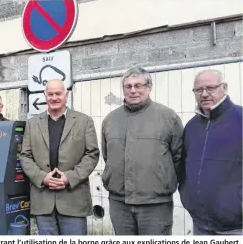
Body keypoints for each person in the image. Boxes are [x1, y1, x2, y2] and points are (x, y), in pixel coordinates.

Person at [101, 67, 183, 235]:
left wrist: (160, 179)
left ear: (149, 87)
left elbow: (179, 157)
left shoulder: (168, 117)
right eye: (128, 86)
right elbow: (108, 155)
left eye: (138, 85)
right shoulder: (110, 120)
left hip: (155, 205)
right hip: (119, 203)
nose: (133, 90)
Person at [20, 79, 100, 235]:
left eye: (58, 93)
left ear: (66, 95)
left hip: (73, 199)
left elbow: (92, 154)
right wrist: (42, 177)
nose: (54, 97)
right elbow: (25, 156)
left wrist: (69, 178)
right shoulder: (32, 124)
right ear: (45, 96)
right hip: (43, 199)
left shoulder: (84, 121)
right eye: (50, 94)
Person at [179, 69, 242, 235]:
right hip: (200, 224)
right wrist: (187, 197)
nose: (204, 94)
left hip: (235, 227)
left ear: (225, 88)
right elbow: (184, 166)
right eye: (198, 90)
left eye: (211, 88)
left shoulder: (240, 119)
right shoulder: (192, 126)